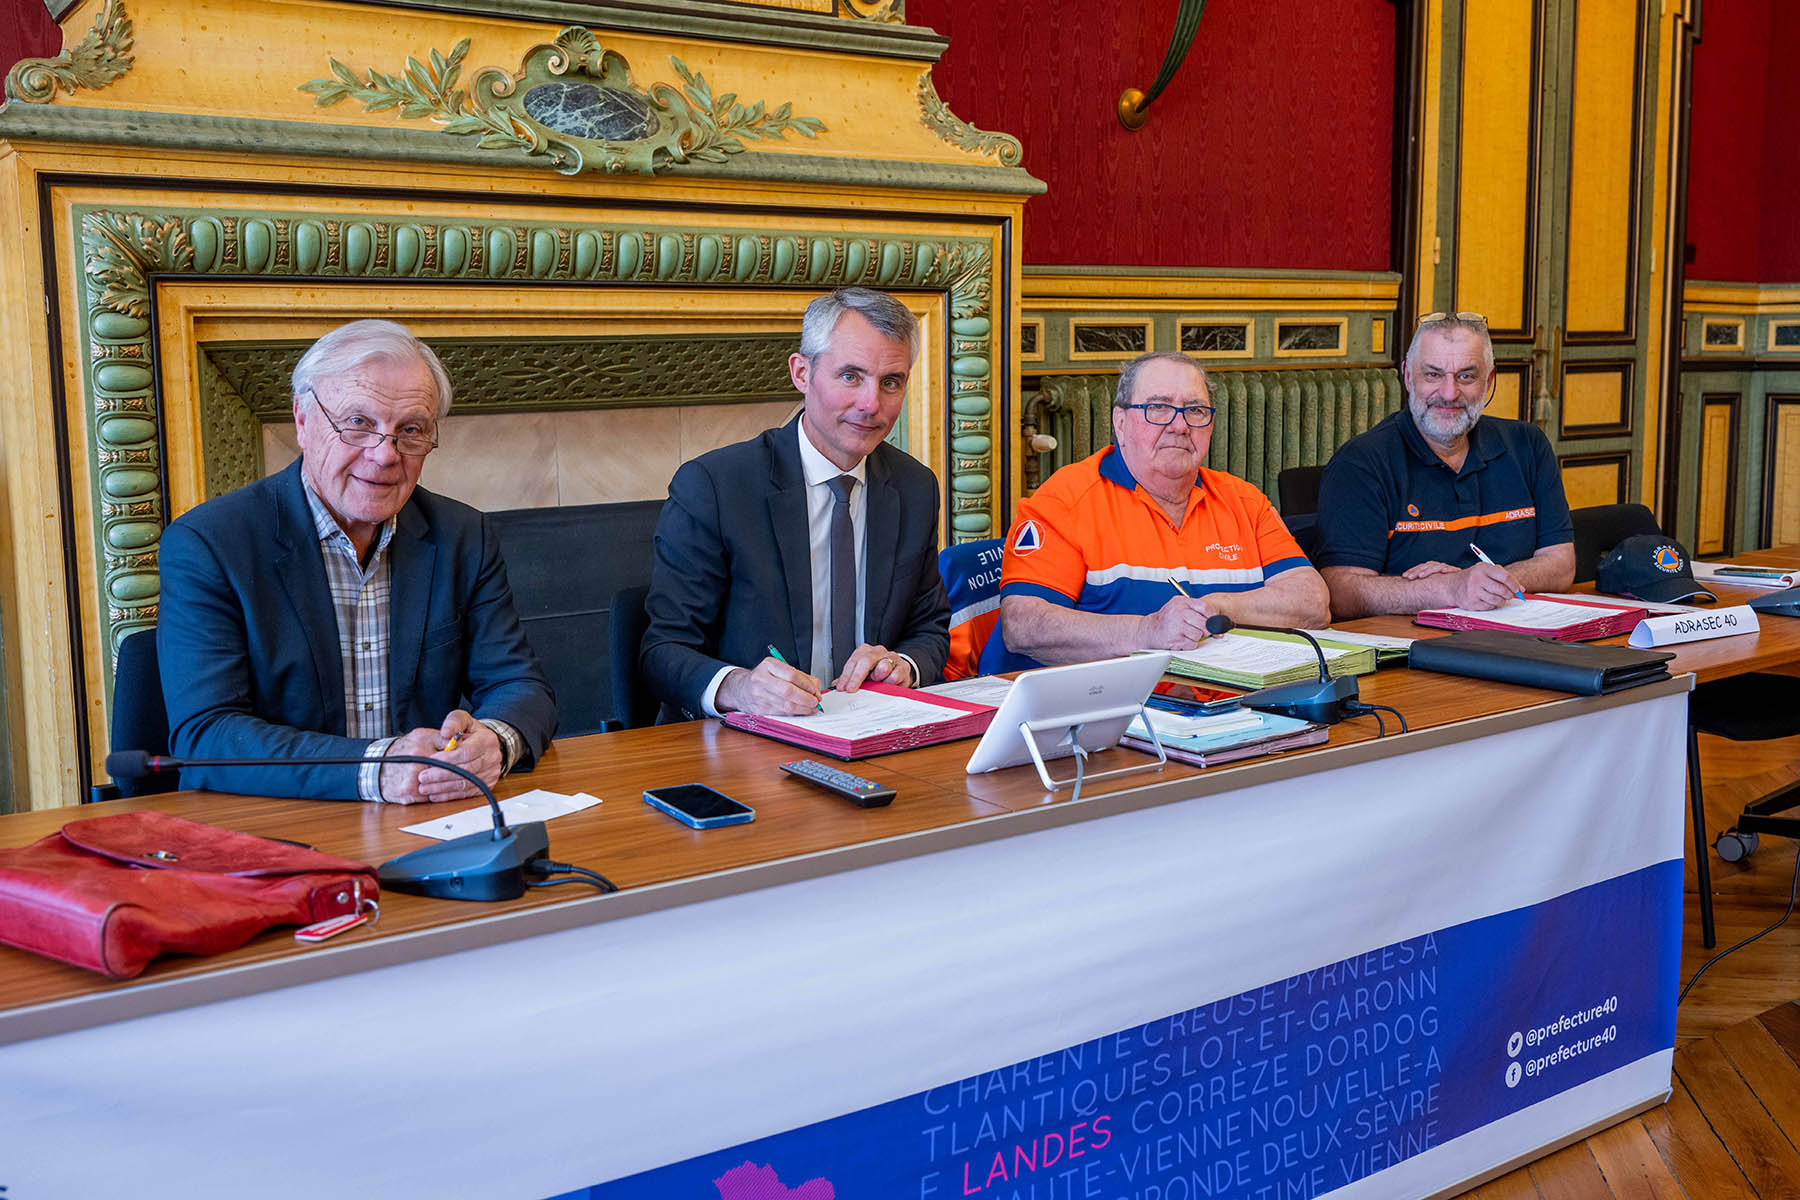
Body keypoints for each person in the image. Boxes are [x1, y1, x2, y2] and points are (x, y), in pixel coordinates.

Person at [157, 319, 556, 803]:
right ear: (303, 421)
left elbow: (521, 684)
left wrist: (495, 741)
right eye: (359, 424)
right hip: (276, 820)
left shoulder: (462, 535)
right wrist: (377, 769)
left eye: (411, 430)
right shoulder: (210, 543)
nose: (386, 455)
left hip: (429, 817)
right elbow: (206, 735)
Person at [641, 287, 950, 719]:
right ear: (802, 373)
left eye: (891, 382)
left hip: (872, 728)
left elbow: (929, 629)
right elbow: (662, 651)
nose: (871, 404)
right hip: (746, 737)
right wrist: (739, 688)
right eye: (851, 376)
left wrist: (904, 665)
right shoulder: (715, 487)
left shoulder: (914, 487)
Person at [997, 351, 1329, 666]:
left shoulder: (1244, 501)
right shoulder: (1066, 499)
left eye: (1195, 410)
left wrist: (1215, 608)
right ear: (1120, 422)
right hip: (1101, 700)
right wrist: (1147, 632)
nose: (1180, 425)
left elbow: (1312, 603)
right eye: (1158, 407)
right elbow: (1024, 624)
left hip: (1223, 695)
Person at [1313, 313, 1574, 618]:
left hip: (1521, 632)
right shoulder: (1361, 462)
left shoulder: (1528, 444)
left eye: (1466, 376)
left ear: (1489, 380)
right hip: (1410, 639)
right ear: (1408, 377)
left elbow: (1561, 564)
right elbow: (1340, 592)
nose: (1449, 393)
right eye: (1433, 375)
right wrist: (1448, 589)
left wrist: (1485, 582)